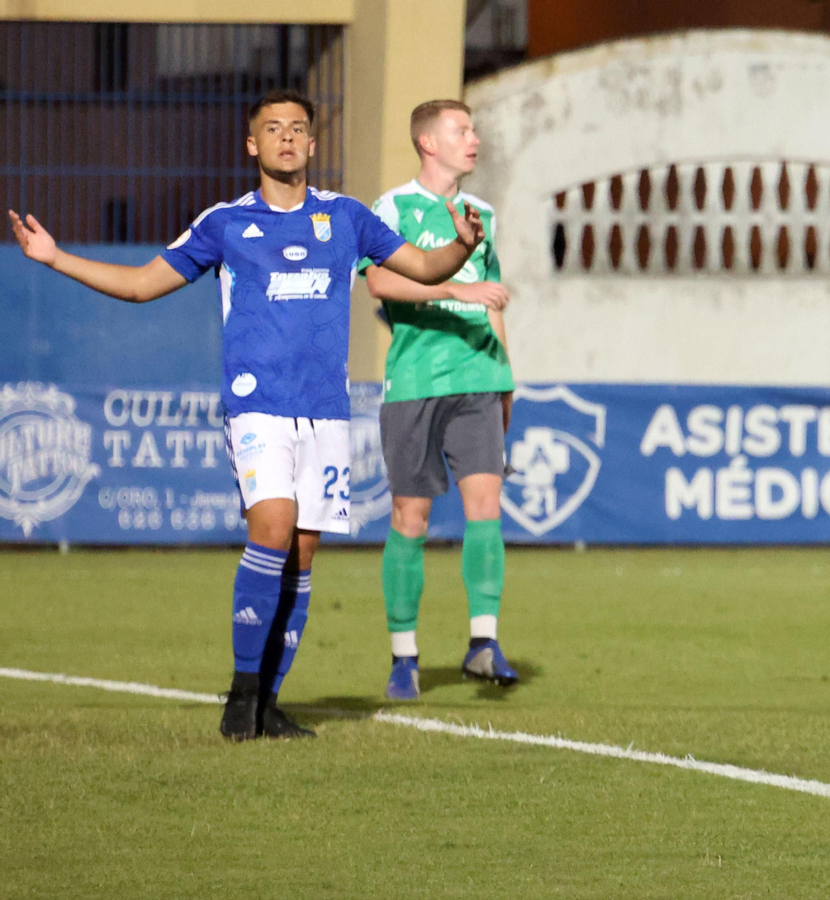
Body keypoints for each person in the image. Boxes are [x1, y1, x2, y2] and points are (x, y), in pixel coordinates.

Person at [7, 89, 484, 740]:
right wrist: (54, 258)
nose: (286, 138)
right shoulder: (225, 224)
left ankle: (268, 702)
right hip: (257, 405)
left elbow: (424, 268)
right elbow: (144, 284)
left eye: (298, 129)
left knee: (304, 553)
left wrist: (459, 249)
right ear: (251, 145)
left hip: (326, 412)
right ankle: (241, 693)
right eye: (273, 129)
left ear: (313, 145)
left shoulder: (346, 218)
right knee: (274, 527)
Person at [362, 99, 517, 700]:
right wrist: (456, 285)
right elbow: (378, 280)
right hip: (417, 383)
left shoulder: (482, 214)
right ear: (429, 142)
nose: (474, 139)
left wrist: (507, 378)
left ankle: (483, 643)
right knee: (411, 518)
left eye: (473, 129)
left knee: (486, 505)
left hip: (478, 375)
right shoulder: (393, 206)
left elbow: (493, 300)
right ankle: (405, 657)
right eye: (462, 130)